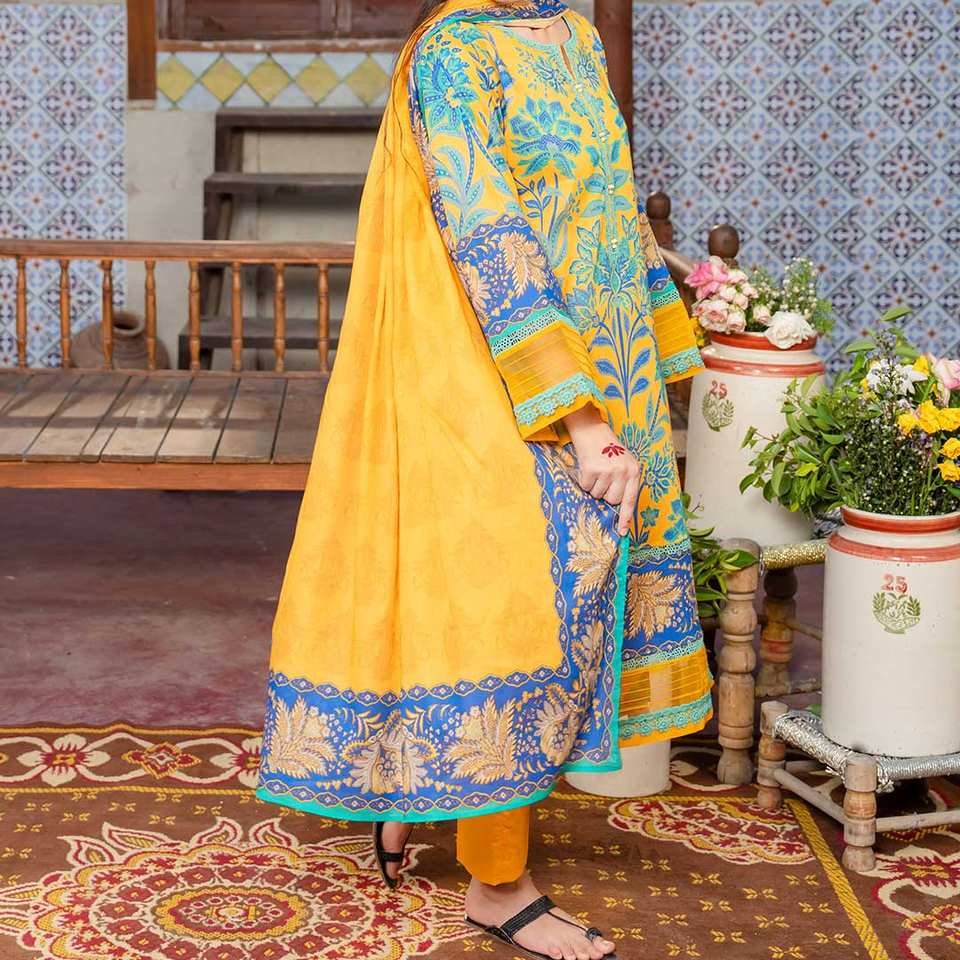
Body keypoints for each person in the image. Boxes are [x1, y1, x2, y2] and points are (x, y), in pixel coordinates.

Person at [256, 2, 712, 958]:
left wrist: (658, 360)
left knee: (565, 600)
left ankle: (419, 795)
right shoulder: (454, 50)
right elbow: (486, 229)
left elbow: (612, 206)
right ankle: (498, 888)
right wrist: (579, 418)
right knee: (505, 608)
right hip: (489, 373)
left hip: (602, 367)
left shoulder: (574, 33)